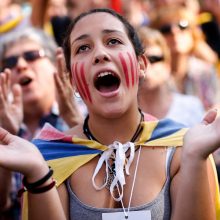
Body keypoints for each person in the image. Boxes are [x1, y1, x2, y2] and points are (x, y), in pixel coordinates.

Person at [0, 8, 219, 220]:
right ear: (72, 81)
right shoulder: (50, 157)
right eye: (83, 48)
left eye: (113, 41)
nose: (100, 54)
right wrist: (38, 174)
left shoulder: (181, 147)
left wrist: (195, 158)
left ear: (141, 64)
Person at [0, 27, 84, 219]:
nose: (20, 65)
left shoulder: (88, 111)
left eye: (32, 56)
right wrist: (6, 135)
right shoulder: (2, 127)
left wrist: (75, 122)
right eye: (10, 62)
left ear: (56, 65)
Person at [137, 26, 205, 127]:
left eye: (154, 59)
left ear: (167, 64)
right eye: (138, 61)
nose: (147, 67)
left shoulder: (191, 107)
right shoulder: (121, 114)